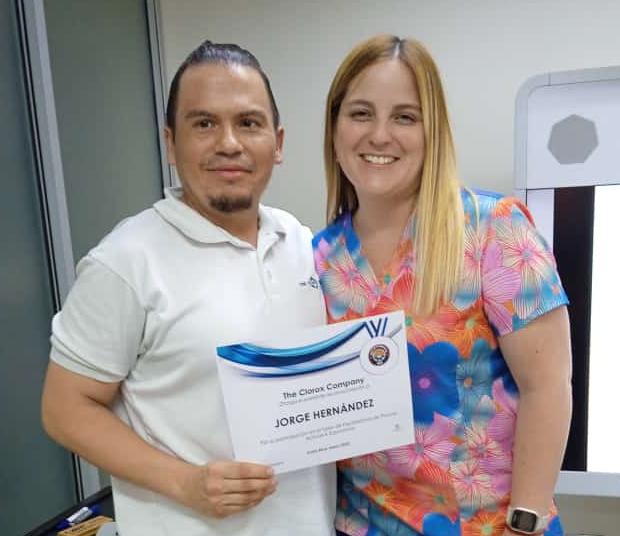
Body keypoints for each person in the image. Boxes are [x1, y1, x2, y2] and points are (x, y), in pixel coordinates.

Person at [41, 40, 335, 536]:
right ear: (170, 143)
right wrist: (185, 483)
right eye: (204, 124)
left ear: (277, 142)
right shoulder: (126, 262)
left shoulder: (302, 242)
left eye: (248, 123)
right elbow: (64, 408)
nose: (229, 143)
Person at [313, 35, 571, 536]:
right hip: (361, 526)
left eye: (405, 117)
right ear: (335, 127)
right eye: (361, 113)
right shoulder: (316, 259)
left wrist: (527, 518)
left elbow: (549, 387)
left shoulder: (493, 229)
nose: (380, 135)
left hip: (493, 526)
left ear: (433, 132)